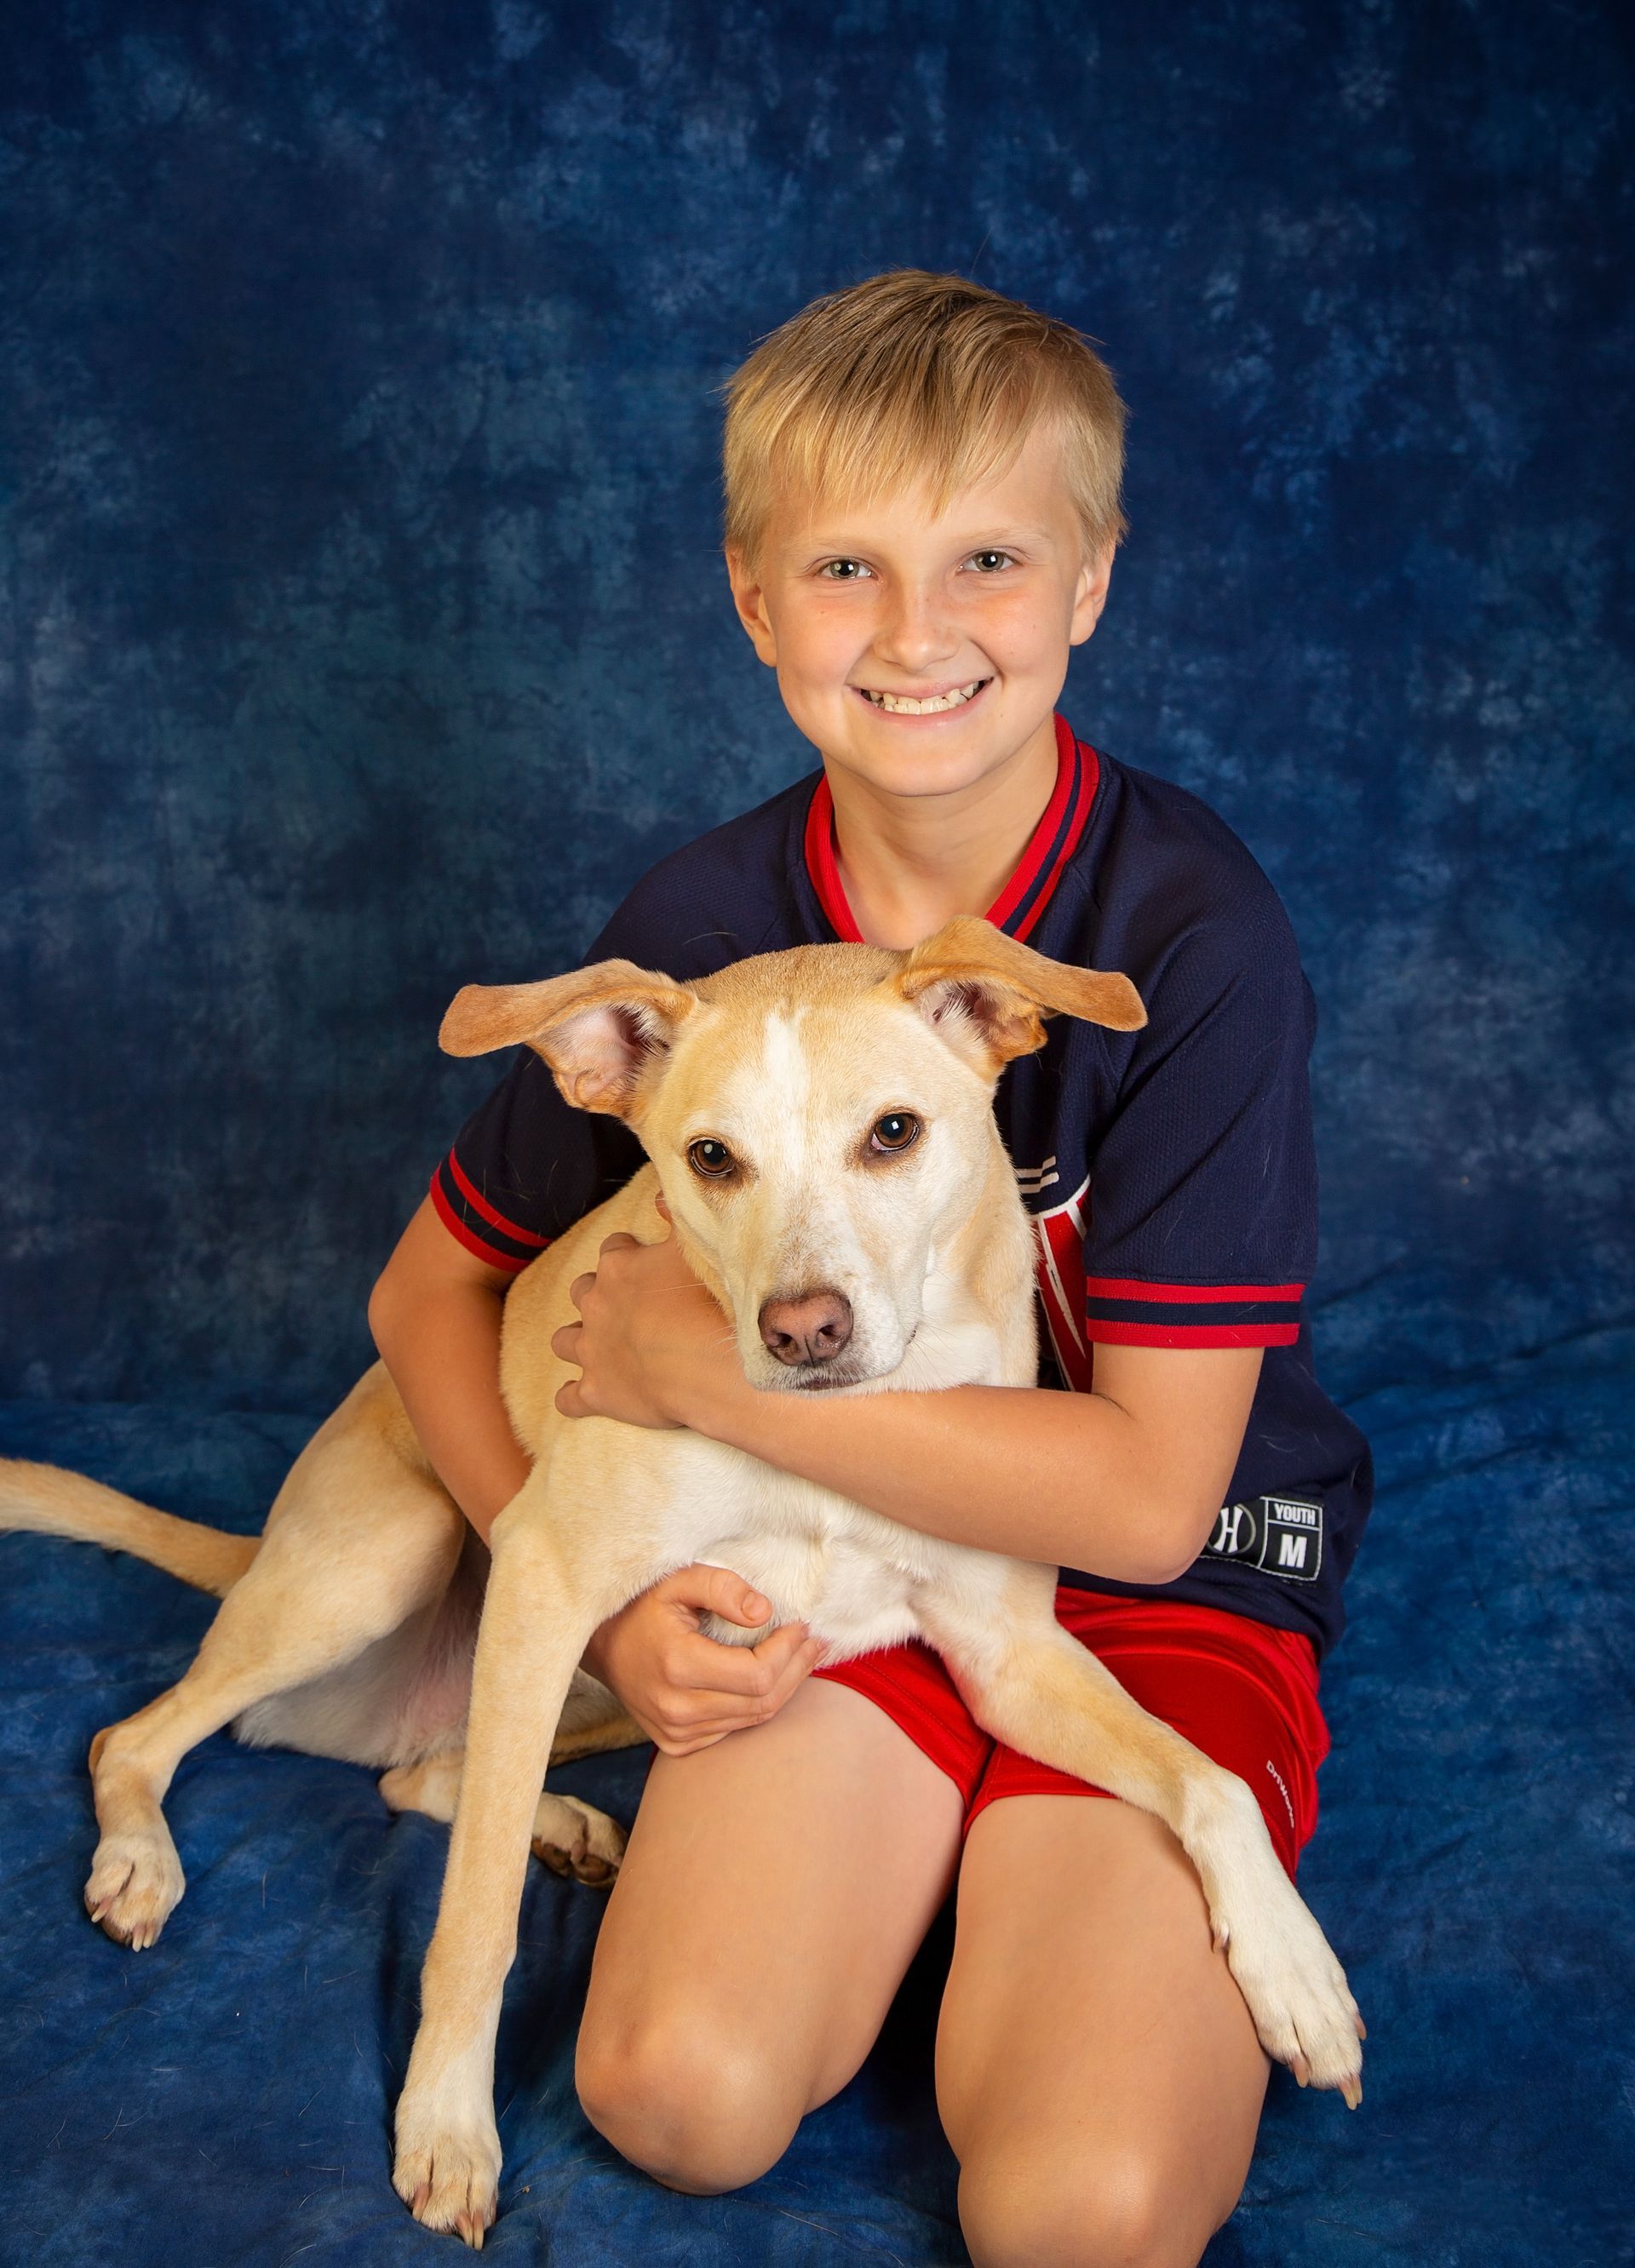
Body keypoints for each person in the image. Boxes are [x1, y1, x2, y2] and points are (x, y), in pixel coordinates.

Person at [369, 269, 1372, 2268]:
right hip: (835, 1570)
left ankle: (1059, 1900)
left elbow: (1147, 1508)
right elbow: (427, 1298)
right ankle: (910, 1880)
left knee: (1081, 2213)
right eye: (847, 570)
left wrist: (703, 1374)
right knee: (676, 2095)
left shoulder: (1192, 937)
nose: (918, 635)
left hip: (1157, 1575)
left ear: (1090, 578)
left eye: (988, 558)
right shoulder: (700, 937)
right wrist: (597, 1613)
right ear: (757, 604)